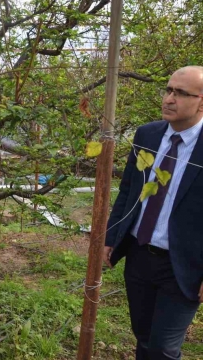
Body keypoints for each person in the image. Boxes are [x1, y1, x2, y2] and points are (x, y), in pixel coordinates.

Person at [105, 66, 203, 360]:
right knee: (144, 336)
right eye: (169, 89)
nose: (169, 99)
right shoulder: (147, 134)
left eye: (181, 93)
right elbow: (127, 191)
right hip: (139, 255)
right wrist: (111, 237)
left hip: (183, 265)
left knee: (163, 347)